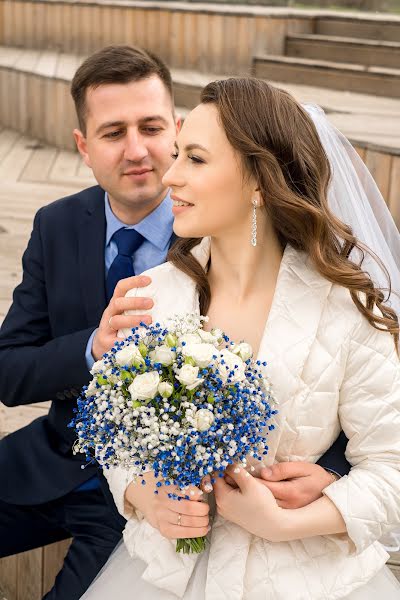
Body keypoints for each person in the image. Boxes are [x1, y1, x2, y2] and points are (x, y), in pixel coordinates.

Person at [0, 47, 348, 599]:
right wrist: (92, 347)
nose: (139, 151)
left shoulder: (229, 241)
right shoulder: (57, 224)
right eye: (113, 132)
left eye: (153, 127)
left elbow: (322, 374)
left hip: (176, 506)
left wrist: (332, 472)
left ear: (178, 130)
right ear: (83, 147)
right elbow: (8, 370)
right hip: (59, 460)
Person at [81, 77, 400, 599]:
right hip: (167, 575)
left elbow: (392, 471)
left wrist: (283, 524)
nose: (171, 175)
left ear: (258, 182)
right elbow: (120, 441)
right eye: (178, 154)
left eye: (197, 159)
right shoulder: (151, 296)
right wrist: (144, 496)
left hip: (304, 580)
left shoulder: (345, 310)